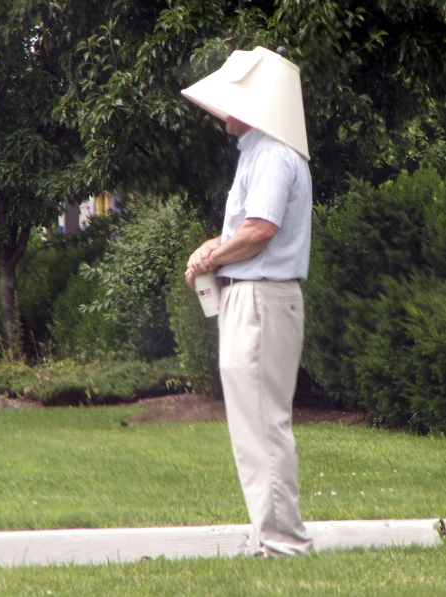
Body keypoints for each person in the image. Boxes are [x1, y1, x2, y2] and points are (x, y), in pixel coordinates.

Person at [180, 46, 314, 558]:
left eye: (233, 101)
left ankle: (283, 544)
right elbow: (248, 230)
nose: (223, 113)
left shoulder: (275, 155)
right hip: (252, 297)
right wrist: (213, 249)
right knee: (252, 422)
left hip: (260, 298)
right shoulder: (260, 154)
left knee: (262, 420)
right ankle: (269, 535)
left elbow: (260, 231)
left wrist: (214, 256)